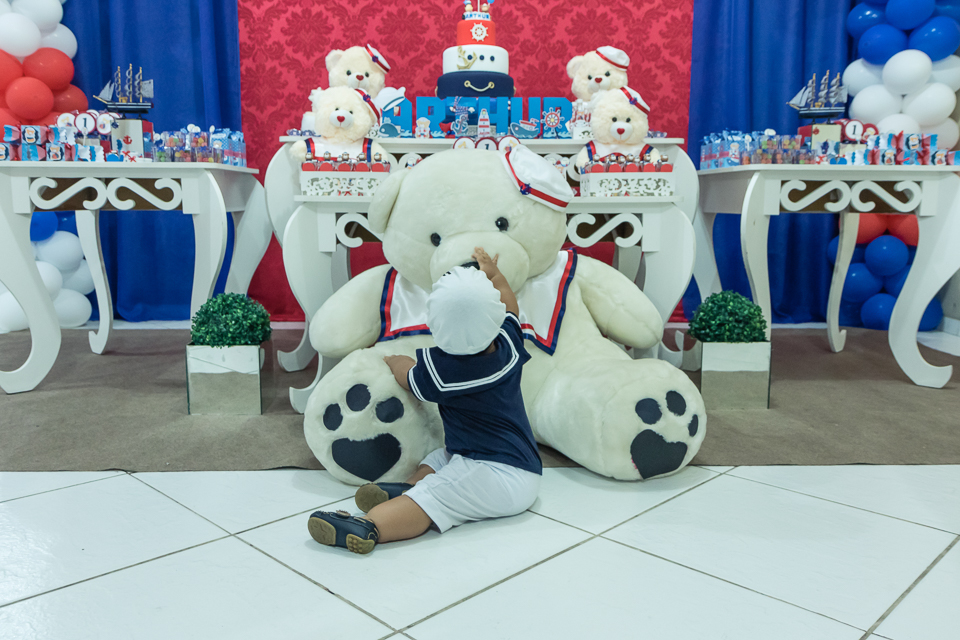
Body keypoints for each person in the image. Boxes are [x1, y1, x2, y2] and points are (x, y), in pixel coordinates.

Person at [307, 247, 542, 554]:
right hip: (511, 462)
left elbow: (409, 376)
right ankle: (409, 490)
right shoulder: (507, 343)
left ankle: (371, 525)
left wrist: (392, 360)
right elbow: (510, 305)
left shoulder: (444, 372)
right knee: (436, 460)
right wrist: (494, 274)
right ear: (494, 317)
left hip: (497, 476)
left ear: (435, 325)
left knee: (436, 497)